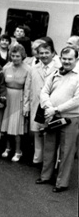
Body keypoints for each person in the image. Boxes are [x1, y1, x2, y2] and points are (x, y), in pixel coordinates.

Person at [36, 47, 79, 193]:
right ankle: (46, 176)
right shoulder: (56, 73)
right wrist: (48, 107)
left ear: (76, 60)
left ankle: (62, 182)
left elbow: (77, 100)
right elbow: (44, 91)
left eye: (70, 59)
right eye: (64, 58)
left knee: (66, 151)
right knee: (49, 147)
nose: (66, 61)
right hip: (52, 116)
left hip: (70, 118)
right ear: (60, 58)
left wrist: (57, 109)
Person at [24, 42, 61, 165]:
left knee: (50, 135)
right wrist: (26, 105)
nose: (44, 55)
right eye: (41, 53)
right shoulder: (33, 68)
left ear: (53, 53)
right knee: (38, 133)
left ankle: (49, 163)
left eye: (47, 53)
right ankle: (37, 159)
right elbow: (28, 88)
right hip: (36, 105)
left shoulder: (59, 67)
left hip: (51, 105)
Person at [0, 44, 31, 162]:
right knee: (6, 124)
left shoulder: (28, 69)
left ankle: (18, 151)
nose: (15, 58)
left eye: (17, 56)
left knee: (17, 127)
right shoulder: (6, 67)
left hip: (19, 98)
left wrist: (26, 105)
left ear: (22, 56)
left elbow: (28, 88)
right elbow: (1, 84)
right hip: (7, 98)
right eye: (12, 55)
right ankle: (8, 147)